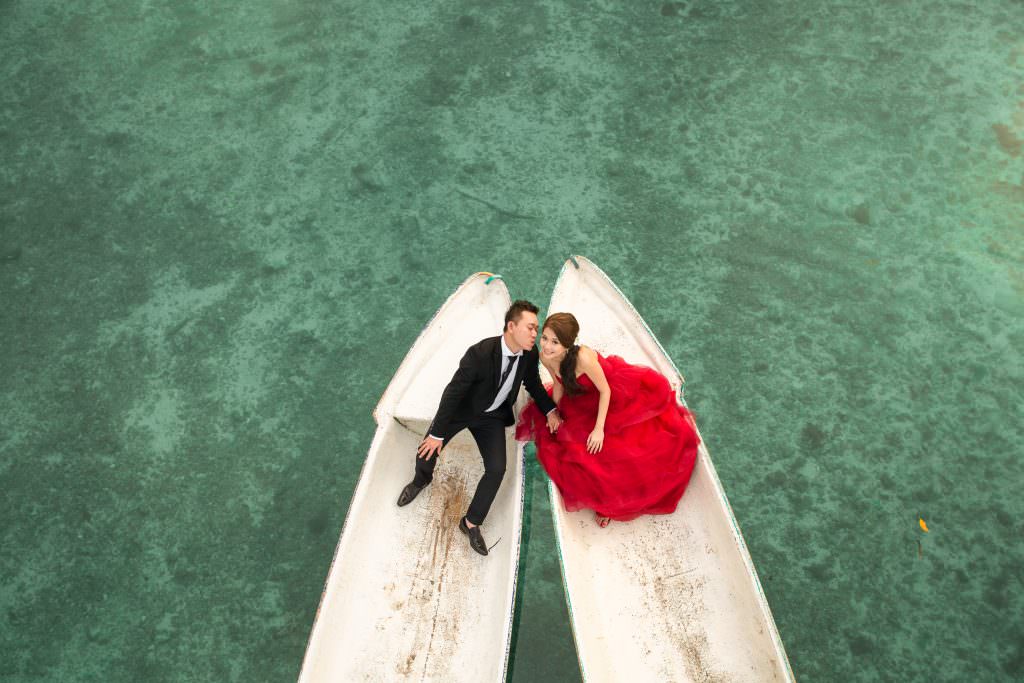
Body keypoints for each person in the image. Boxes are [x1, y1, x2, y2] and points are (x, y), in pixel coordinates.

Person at [397, 300, 563, 555]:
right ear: (511, 326)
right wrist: (437, 434)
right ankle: (421, 480)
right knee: (428, 448)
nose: (535, 334)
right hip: (461, 411)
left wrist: (550, 410)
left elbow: (534, 385)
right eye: (530, 328)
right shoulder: (479, 354)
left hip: (492, 417)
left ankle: (471, 523)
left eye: (536, 328)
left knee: (497, 469)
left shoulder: (529, 357)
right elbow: (453, 393)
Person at [516, 313, 700, 526]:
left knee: (613, 455)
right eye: (545, 338)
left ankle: (610, 506)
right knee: (563, 440)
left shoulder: (583, 358)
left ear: (568, 344)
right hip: (579, 400)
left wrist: (599, 429)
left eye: (554, 342)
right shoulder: (545, 357)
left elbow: (605, 391)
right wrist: (557, 412)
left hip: (610, 398)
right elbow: (558, 385)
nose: (547, 346)